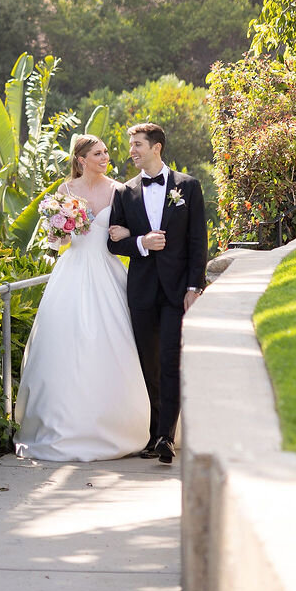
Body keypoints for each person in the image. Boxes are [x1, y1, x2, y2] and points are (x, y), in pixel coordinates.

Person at [14, 134, 151, 462]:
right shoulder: (65, 191)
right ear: (81, 160)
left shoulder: (119, 190)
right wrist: (60, 228)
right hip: (71, 271)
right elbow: (54, 240)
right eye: (97, 153)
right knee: (64, 342)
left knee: (113, 341)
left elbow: (132, 229)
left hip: (106, 269)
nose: (105, 157)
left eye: (105, 152)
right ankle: (62, 425)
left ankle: (123, 425)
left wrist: (125, 234)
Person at [106, 122, 207, 465]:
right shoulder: (125, 192)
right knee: (148, 362)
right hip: (142, 291)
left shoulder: (189, 187)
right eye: (131, 144)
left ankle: (165, 435)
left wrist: (195, 286)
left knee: (170, 359)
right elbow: (111, 242)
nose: (131, 150)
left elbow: (198, 241)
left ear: (156, 147)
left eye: (137, 144)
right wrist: (141, 243)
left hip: (177, 290)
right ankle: (151, 433)